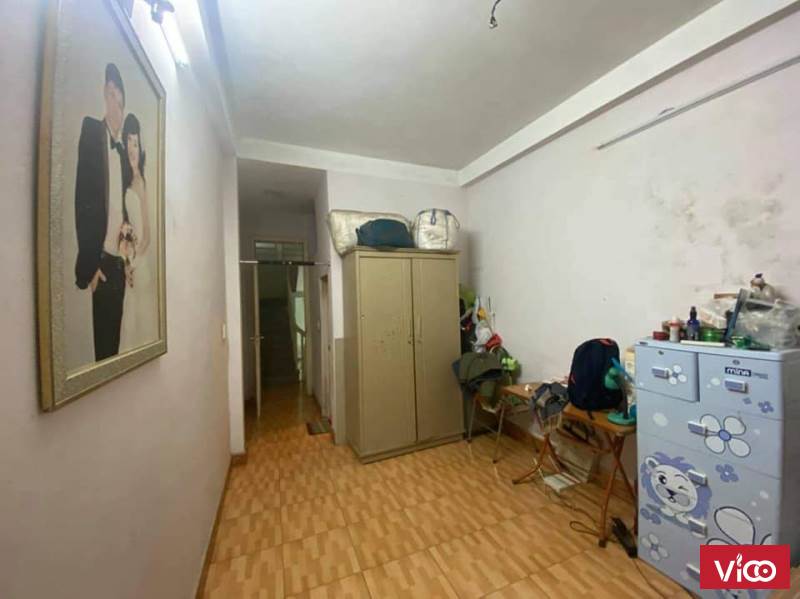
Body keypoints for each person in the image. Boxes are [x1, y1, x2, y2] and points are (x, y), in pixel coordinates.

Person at [74, 63, 127, 361]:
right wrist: (90, 266)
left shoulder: (126, 152)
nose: (113, 102)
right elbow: (82, 199)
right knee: (104, 357)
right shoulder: (92, 131)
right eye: (109, 93)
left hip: (120, 266)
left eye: (117, 96)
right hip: (102, 264)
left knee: (116, 352)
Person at [118, 113, 157, 350]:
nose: (133, 148)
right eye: (129, 142)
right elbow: (125, 227)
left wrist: (134, 263)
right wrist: (126, 261)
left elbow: (148, 236)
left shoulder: (140, 182)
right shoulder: (125, 181)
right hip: (131, 261)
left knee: (140, 321)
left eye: (136, 143)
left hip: (140, 262)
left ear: (140, 147)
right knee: (129, 321)